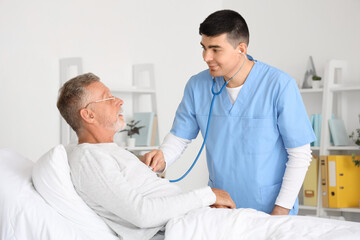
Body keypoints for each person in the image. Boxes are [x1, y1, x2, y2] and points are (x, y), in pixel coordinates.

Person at [143, 9, 316, 216]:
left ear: (241, 48)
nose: (206, 57)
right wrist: (162, 157)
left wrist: (280, 211)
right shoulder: (198, 85)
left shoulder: (279, 85)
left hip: (271, 209)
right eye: (204, 48)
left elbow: (300, 154)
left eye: (216, 49)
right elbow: (180, 137)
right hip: (221, 207)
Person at [56, 73, 236, 240]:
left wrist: (203, 206)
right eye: (108, 98)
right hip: (178, 230)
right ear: (88, 115)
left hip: (192, 221)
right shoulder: (88, 158)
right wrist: (207, 196)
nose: (119, 101)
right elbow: (143, 215)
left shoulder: (109, 152)